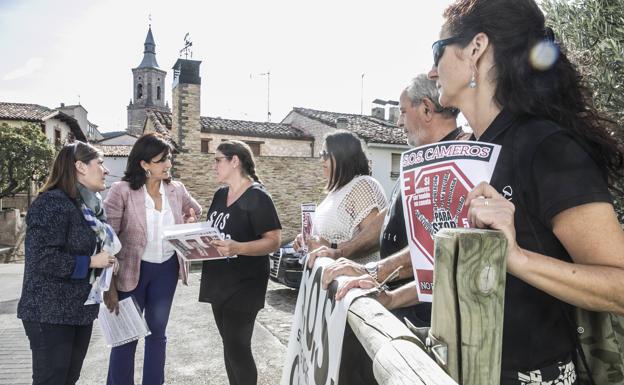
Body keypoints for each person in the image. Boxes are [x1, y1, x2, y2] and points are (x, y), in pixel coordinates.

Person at [354, 1, 624, 383]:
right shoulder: (475, 148)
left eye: (438, 51)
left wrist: (516, 257)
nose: (432, 70)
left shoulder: (546, 147)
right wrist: (389, 293)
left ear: (476, 48)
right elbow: (468, 268)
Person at [320, 75, 464, 327]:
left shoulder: (456, 161)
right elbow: (388, 219)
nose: (398, 122)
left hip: (426, 317)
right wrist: (341, 250)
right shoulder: (421, 158)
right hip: (399, 303)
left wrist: (373, 271)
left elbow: (439, 246)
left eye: (402, 112)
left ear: (427, 109)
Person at [103, 132, 202, 385]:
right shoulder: (121, 190)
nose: (168, 164)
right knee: (127, 336)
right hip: (131, 272)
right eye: (161, 160)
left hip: (166, 270)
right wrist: (108, 284)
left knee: (157, 334)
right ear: (144, 163)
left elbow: (195, 209)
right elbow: (108, 236)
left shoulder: (176, 189)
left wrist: (188, 220)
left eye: (168, 158)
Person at [17, 141, 116, 385]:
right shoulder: (52, 203)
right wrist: (92, 261)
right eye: (100, 163)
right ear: (80, 166)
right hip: (49, 312)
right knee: (52, 380)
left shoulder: (86, 207)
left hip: (78, 310)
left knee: (68, 380)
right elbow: (42, 258)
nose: (106, 170)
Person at [199, 140, 282, 385]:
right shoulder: (220, 194)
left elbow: (274, 241)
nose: (214, 165)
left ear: (234, 161)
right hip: (218, 282)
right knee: (229, 346)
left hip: (245, 284)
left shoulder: (258, 196)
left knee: (238, 347)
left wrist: (239, 248)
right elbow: (214, 233)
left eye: (218, 160)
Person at [293, 130, 388, 265]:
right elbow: (320, 239)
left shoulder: (363, 186)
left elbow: (373, 241)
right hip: (327, 279)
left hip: (353, 280)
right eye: (321, 154)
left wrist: (331, 247)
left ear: (343, 156)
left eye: (325, 154)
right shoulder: (336, 192)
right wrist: (305, 240)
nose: (321, 159)